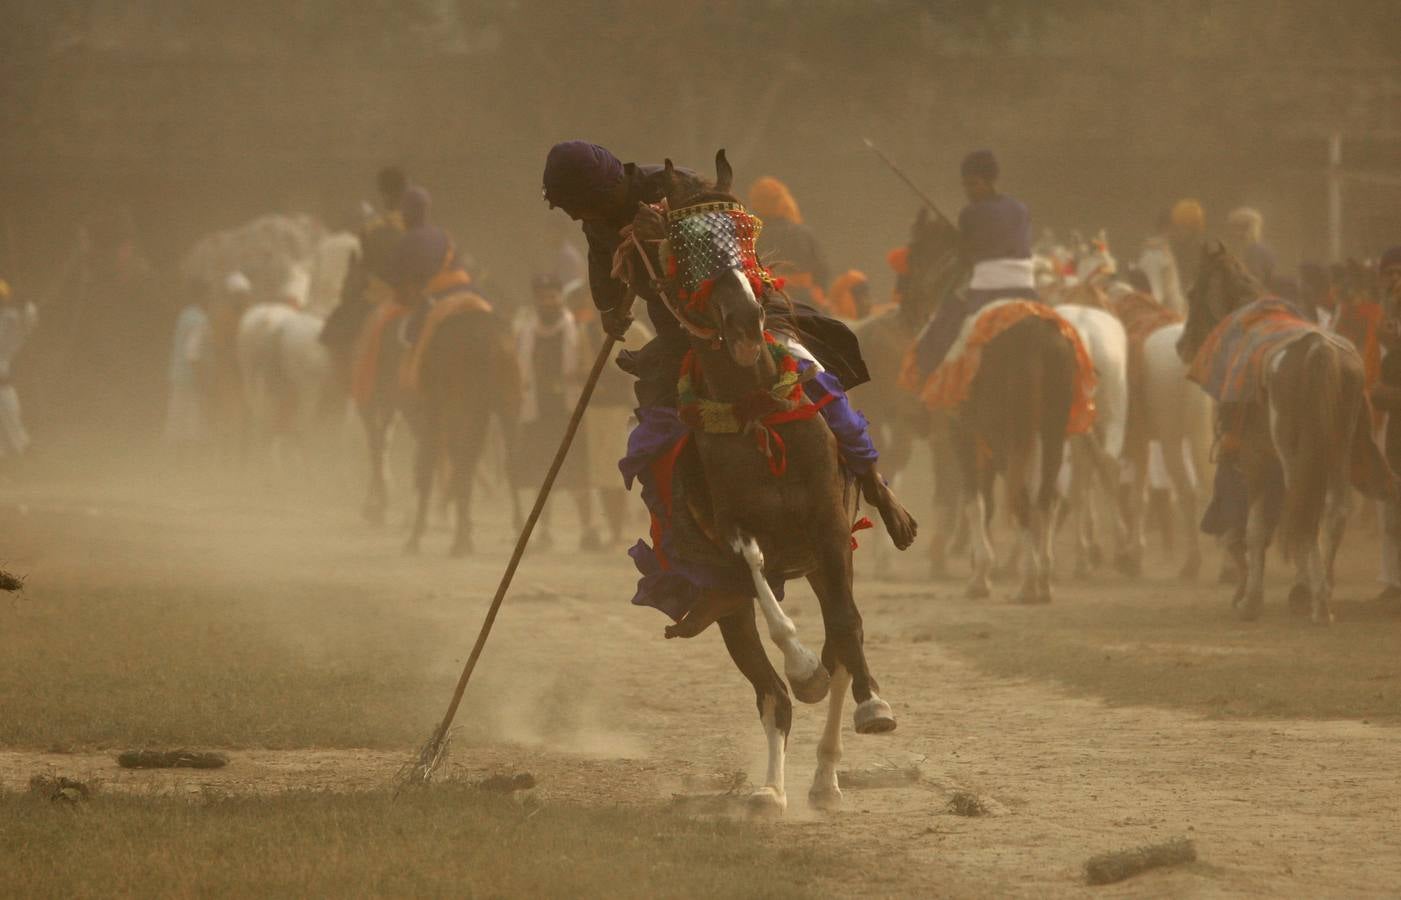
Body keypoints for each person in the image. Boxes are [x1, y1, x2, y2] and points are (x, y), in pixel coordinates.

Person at [539, 141, 913, 573]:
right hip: (680, 337)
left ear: (604, 188)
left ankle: (875, 486)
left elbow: (732, 246)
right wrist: (611, 311)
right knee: (653, 432)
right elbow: (605, 286)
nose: (572, 216)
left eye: (577, 204)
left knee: (813, 377)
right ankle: (684, 546)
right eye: (567, 208)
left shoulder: (674, 185)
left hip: (742, 312)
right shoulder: (596, 221)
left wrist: (666, 234)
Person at [908, 149, 1037, 375]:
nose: (969, 191)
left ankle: (926, 377)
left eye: (974, 184)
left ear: (990, 182)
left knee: (943, 326)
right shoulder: (1020, 209)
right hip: (1026, 287)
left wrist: (955, 237)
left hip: (987, 287)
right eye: (965, 185)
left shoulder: (970, 213)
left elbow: (967, 257)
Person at [512, 273, 598, 551]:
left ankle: (589, 531)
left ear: (560, 298)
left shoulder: (577, 330)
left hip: (567, 412)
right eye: (543, 297)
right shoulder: (525, 333)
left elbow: (589, 368)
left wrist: (575, 376)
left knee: (578, 475)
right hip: (536, 412)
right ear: (536, 300)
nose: (548, 302)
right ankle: (543, 532)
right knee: (540, 473)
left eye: (553, 296)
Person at [1367, 246, 1401, 601]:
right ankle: (1393, 580)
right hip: (1392, 419)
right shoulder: (1381, 320)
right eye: (1388, 276)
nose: (1393, 282)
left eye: (1398, 275)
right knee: (1390, 499)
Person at [748, 177, 830, 310]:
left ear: (755, 203)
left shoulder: (749, 234)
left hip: (761, 302)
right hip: (803, 303)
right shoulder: (802, 233)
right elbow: (819, 275)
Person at [162, 279, 213, 454]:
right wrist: (202, 378)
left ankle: (172, 459)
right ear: (204, 296)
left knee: (176, 420)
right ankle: (190, 462)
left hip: (177, 374)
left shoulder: (184, 315)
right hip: (191, 377)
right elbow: (193, 353)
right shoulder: (200, 320)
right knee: (193, 423)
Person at [0, 278, 38, 472]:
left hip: (3, 385)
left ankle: (29, 467)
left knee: (15, 430)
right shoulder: (12, 318)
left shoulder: (13, 319)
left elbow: (29, 315)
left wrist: (22, 301)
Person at [1138, 209, 1188, 315]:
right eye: (1177, 226)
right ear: (1166, 227)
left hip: (1176, 311)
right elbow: (1155, 293)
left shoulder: (1168, 248)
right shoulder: (1154, 253)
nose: (1181, 231)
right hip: (1166, 314)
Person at [1225, 207, 1277, 287]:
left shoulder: (1256, 251)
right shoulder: (1249, 249)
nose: (1233, 233)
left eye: (1236, 227)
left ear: (1248, 229)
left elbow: (1255, 281)